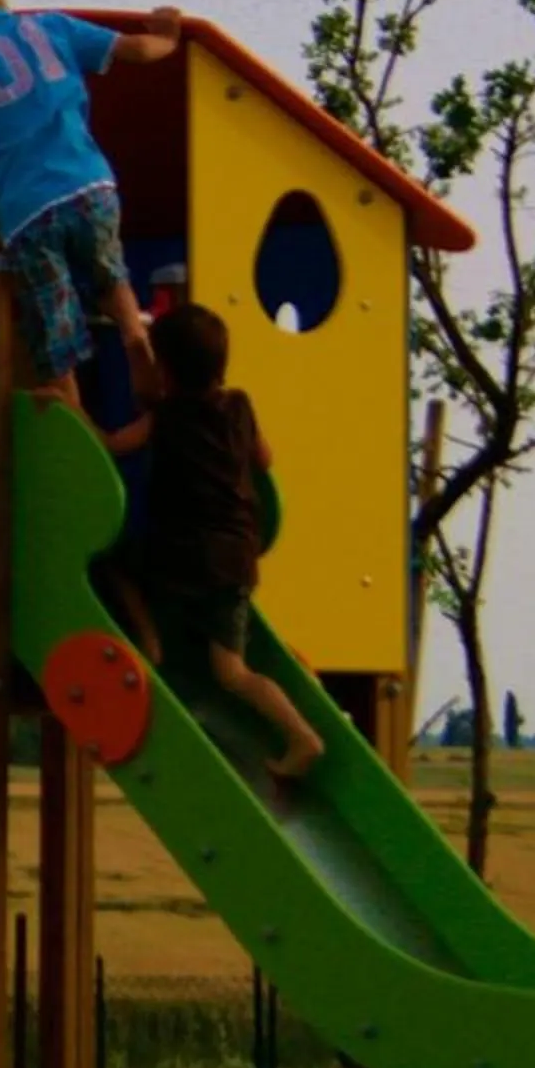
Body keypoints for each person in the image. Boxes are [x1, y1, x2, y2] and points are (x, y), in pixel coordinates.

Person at [0, 0, 181, 402]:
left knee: (51, 310)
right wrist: (168, 37)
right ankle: (134, 335)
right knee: (108, 274)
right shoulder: (49, 25)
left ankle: (67, 395)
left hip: (27, 212)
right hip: (91, 185)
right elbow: (135, 50)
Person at [101, 303, 327, 781]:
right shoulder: (240, 406)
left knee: (115, 564)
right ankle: (302, 736)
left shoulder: (166, 417)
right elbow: (265, 458)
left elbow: (115, 445)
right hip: (237, 559)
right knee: (232, 672)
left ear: (164, 369)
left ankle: (150, 642)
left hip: (183, 558)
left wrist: (71, 408)